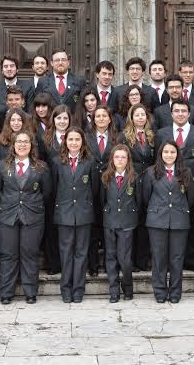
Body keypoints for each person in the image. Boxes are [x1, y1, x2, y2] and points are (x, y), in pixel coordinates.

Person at [0, 130, 52, 304]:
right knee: (8, 254)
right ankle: (6, 292)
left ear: (31, 145)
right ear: (13, 145)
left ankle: (30, 291)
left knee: (30, 254)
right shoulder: (2, 166)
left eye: (26, 141)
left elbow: (46, 193)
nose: (22, 144)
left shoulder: (41, 167)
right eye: (19, 141)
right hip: (7, 216)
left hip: (33, 216)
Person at [154, 99, 194, 271]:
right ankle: (170, 262)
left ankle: (191, 260)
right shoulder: (162, 134)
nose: (180, 114)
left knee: (191, 222)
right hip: (168, 186)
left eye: (183, 111)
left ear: (189, 113)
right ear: (171, 114)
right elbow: (157, 160)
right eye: (176, 111)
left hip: (193, 186)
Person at [142, 141, 194, 303]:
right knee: (159, 258)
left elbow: (191, 197)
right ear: (160, 154)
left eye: (172, 152)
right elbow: (146, 197)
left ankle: (175, 293)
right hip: (157, 221)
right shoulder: (151, 172)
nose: (169, 155)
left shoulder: (186, 172)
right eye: (165, 152)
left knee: (177, 258)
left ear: (177, 154)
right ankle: (159, 292)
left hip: (179, 220)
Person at [50, 127, 99, 303]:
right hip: (64, 214)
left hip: (84, 214)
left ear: (82, 142)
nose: (73, 143)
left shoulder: (89, 162)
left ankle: (78, 289)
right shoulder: (57, 162)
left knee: (81, 253)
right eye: (70, 139)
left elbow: (94, 189)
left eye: (77, 140)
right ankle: (66, 289)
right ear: (65, 142)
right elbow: (54, 188)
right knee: (66, 253)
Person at [117, 103, 155, 271]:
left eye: (143, 114)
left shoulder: (153, 136)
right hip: (131, 182)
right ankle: (129, 261)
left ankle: (142, 259)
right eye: (137, 114)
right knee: (131, 222)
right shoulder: (123, 137)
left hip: (148, 182)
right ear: (131, 118)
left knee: (145, 222)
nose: (140, 117)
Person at [100, 144, 139, 302]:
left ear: (128, 159)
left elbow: (140, 200)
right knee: (110, 257)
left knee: (125, 259)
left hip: (127, 222)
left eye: (123, 157)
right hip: (109, 221)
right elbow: (101, 199)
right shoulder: (105, 177)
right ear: (112, 159)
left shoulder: (134, 177)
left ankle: (128, 288)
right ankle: (114, 291)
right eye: (117, 157)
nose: (120, 160)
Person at [85, 105, 118, 276]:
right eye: (97, 116)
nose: (101, 119)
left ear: (110, 118)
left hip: (110, 186)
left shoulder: (117, 138)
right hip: (89, 186)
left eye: (104, 116)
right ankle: (93, 265)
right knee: (91, 227)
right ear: (93, 119)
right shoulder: (86, 137)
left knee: (108, 226)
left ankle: (109, 263)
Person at [40, 105, 71, 275]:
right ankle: (53, 263)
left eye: (65, 118)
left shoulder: (75, 137)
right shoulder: (45, 138)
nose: (62, 121)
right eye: (59, 118)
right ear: (53, 120)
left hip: (71, 189)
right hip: (52, 188)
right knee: (51, 227)